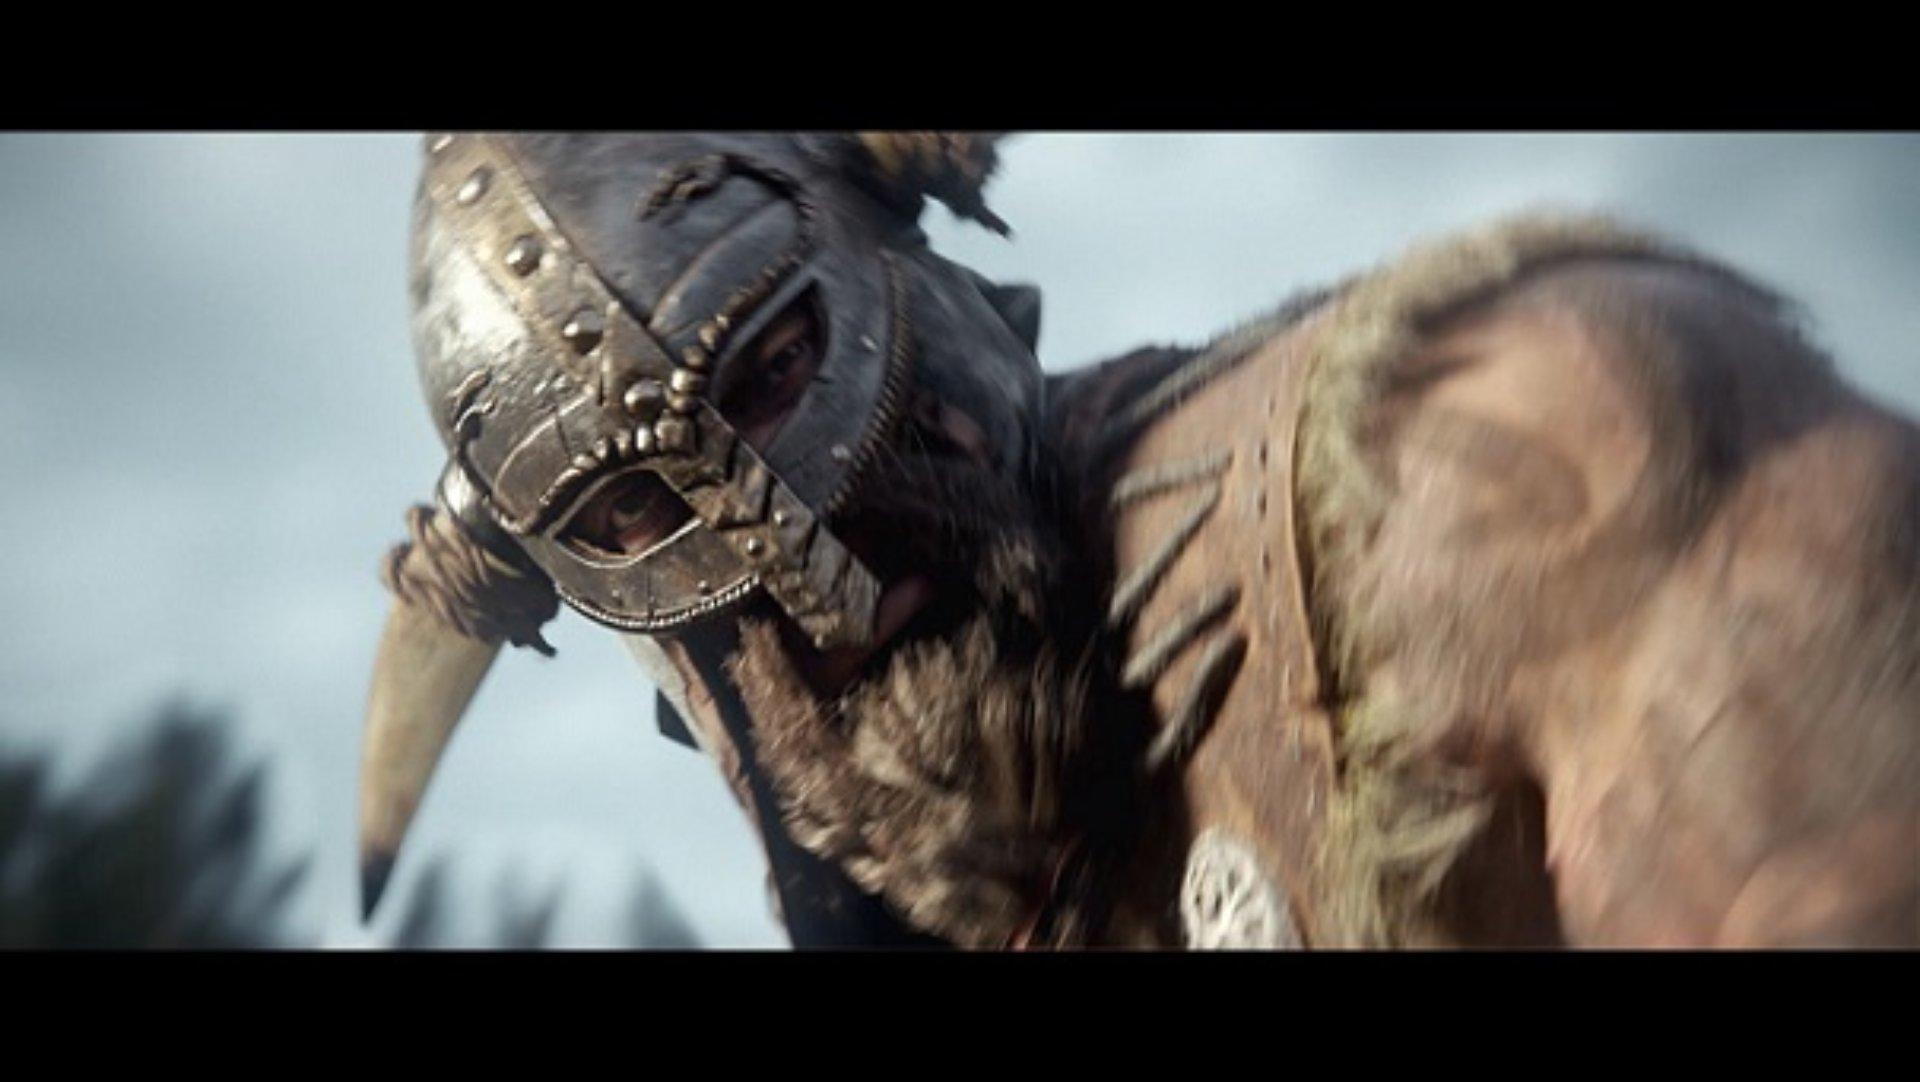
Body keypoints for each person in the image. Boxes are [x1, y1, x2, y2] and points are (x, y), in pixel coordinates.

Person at [357, 132, 1918, 947]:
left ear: (908, 284)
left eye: (774, 368)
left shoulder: (1500, 455)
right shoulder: (842, 825)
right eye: (640, 510)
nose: (795, 553)